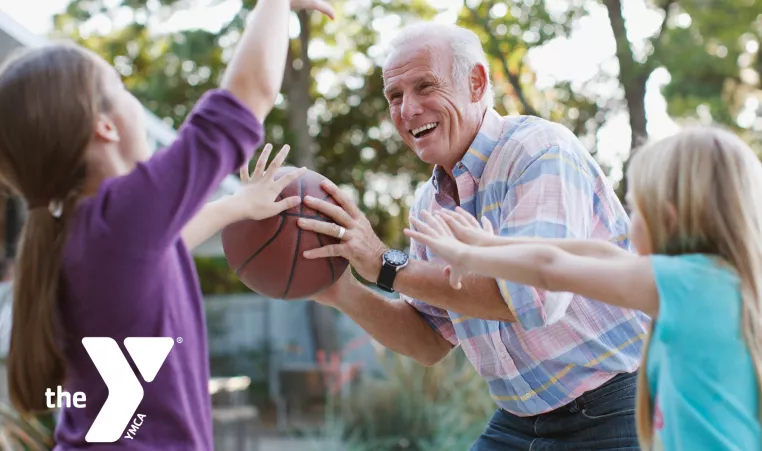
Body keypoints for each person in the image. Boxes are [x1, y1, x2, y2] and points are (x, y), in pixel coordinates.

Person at [297, 22, 648, 449]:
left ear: (476, 83)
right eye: (395, 96)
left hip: (618, 406)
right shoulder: (429, 205)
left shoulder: (539, 152)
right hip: (520, 418)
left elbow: (532, 297)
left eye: (425, 86)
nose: (407, 110)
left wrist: (385, 264)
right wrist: (341, 291)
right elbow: (428, 341)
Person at [0, 0, 334, 448]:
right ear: (105, 126)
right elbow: (248, 94)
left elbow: (166, 248)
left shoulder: (75, 232)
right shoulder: (120, 213)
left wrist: (237, 205)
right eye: (121, 88)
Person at [404, 127, 762, 451]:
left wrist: (468, 255)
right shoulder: (712, 282)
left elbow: (551, 270)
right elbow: (595, 252)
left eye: (637, 209)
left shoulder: (685, 284)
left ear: (667, 218)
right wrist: (488, 246)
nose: (629, 221)